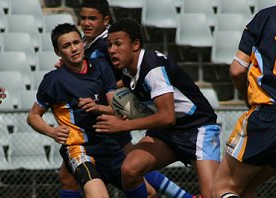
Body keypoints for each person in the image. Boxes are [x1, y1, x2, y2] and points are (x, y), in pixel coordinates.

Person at [58, 0, 195, 197]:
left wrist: (104, 97)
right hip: (95, 120)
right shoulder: (89, 44)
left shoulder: (107, 45)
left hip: (106, 119)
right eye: (83, 18)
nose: (86, 23)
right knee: (71, 174)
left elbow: (123, 78)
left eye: (92, 18)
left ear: (105, 20)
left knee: (123, 168)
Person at [91, 18, 221, 198]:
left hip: (198, 129)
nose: (112, 50)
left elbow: (167, 116)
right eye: (110, 45)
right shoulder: (129, 72)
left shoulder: (152, 68)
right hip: (167, 132)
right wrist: (96, 104)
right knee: (129, 169)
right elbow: (119, 100)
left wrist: (123, 126)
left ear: (135, 44)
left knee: (213, 195)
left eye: (118, 44)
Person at [27, 23, 127, 198]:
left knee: (149, 192)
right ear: (58, 52)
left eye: (76, 42)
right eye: (66, 46)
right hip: (79, 148)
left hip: (108, 144)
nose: (73, 49)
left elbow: (116, 108)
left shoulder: (102, 67)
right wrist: (51, 131)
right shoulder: (53, 80)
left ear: (82, 43)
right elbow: (33, 116)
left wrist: (99, 108)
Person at [210, 1, 276, 197]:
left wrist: (247, 97)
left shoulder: (266, 17)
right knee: (246, 190)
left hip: (267, 115)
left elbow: (237, 71)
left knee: (221, 189)